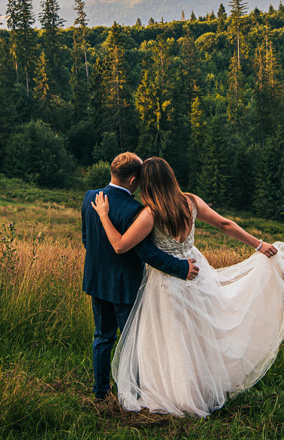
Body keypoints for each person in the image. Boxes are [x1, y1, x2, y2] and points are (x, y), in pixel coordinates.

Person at [91, 156, 284, 417]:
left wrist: (103, 215)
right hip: (197, 272)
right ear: (171, 177)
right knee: (200, 333)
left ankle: (178, 393)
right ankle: (203, 389)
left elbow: (121, 245)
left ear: (145, 182)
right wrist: (258, 244)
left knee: (173, 337)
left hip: (168, 280)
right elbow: (225, 224)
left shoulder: (150, 213)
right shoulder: (190, 201)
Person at [81, 152, 199, 403]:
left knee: (102, 337)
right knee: (132, 341)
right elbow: (147, 253)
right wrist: (180, 268)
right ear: (134, 181)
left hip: (97, 280)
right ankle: (133, 395)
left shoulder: (90, 197)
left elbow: (86, 239)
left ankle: (100, 393)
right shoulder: (136, 210)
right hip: (125, 285)